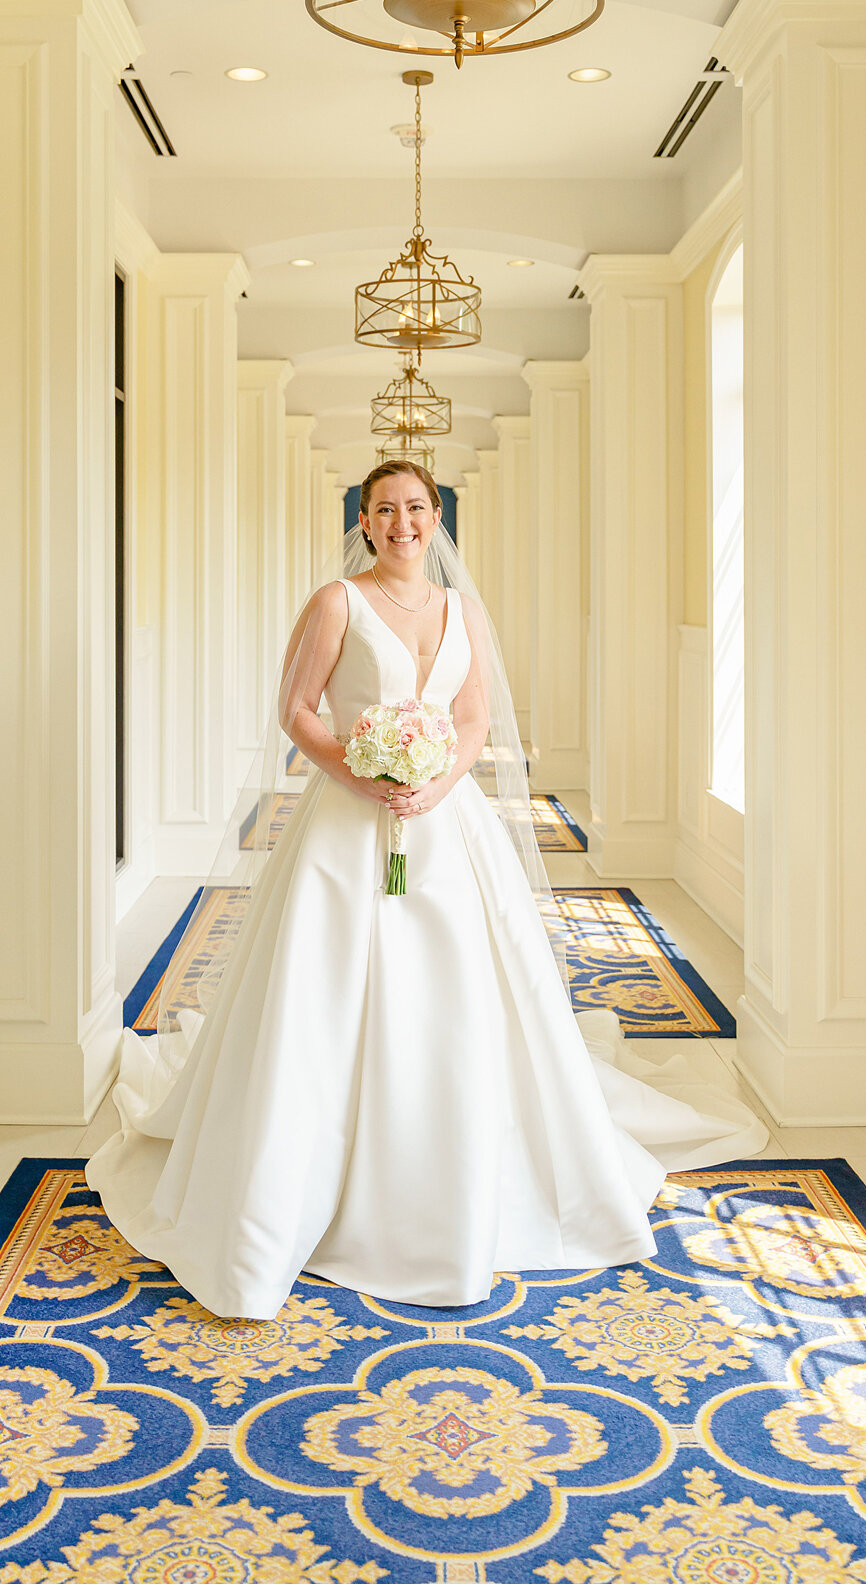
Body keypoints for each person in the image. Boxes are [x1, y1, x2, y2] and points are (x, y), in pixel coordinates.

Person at [86, 460, 766, 1320]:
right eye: (384, 511)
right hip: (345, 823)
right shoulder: (336, 601)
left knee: (459, 996)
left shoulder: (463, 612)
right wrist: (361, 774)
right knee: (326, 992)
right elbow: (298, 710)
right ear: (364, 523)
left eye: (414, 508)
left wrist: (434, 784)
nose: (401, 523)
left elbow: (473, 715)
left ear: (434, 515)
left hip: (445, 820)